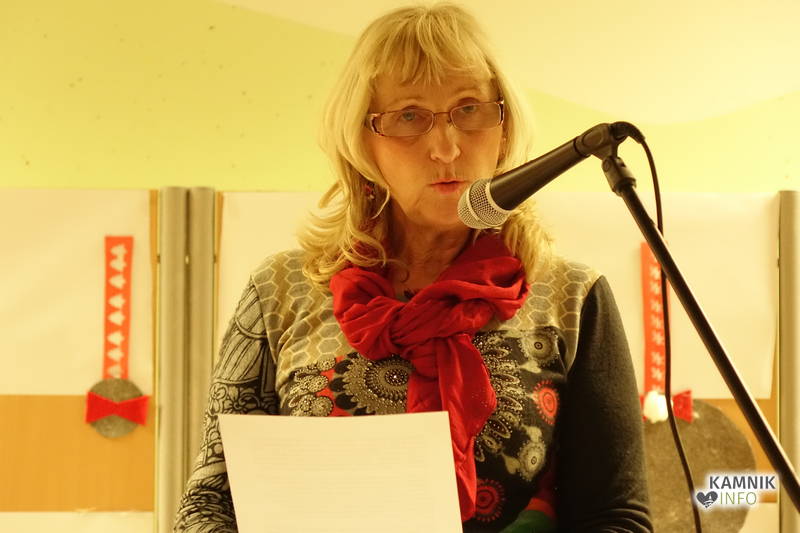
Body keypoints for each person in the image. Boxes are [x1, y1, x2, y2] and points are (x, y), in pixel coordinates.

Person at [174, 3, 652, 532]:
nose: (445, 148)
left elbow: (616, 518)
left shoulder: (572, 296)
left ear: (504, 127)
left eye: (469, 109)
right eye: (408, 116)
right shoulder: (281, 290)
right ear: (363, 142)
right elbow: (208, 503)